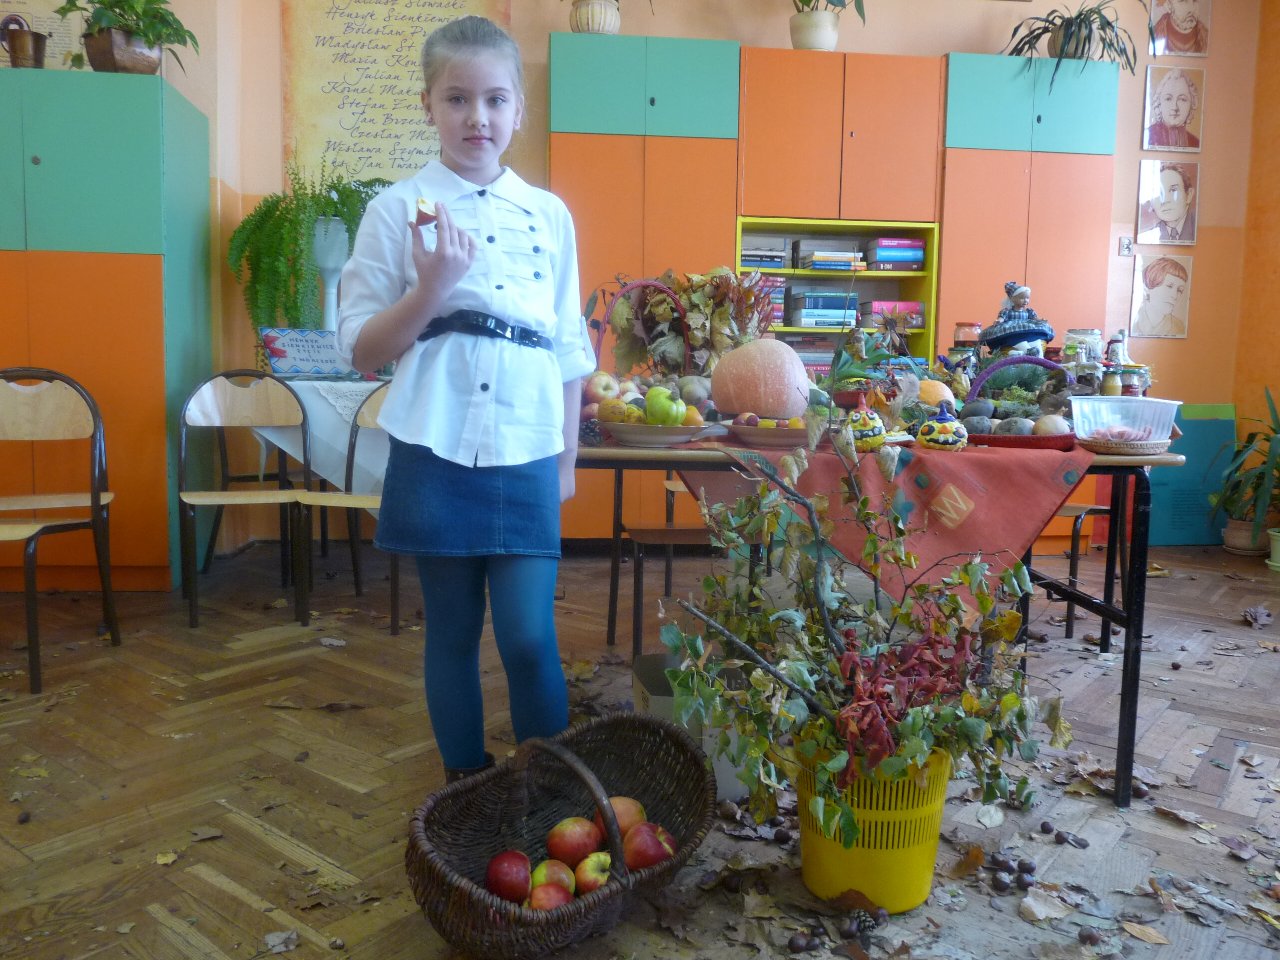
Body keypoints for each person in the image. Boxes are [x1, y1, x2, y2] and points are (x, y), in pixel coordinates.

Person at [336, 16, 596, 783]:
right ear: (428, 105)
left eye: (494, 99)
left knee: (528, 637)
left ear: (519, 109)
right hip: (434, 443)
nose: (476, 117)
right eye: (456, 98)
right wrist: (432, 289)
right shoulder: (397, 210)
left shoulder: (549, 215)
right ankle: (466, 787)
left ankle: (549, 792)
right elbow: (361, 351)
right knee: (450, 634)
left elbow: (568, 347)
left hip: (527, 445)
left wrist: (567, 462)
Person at [978, 281, 1055, 357]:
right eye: (1022, 298)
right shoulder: (1007, 311)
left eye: (1027, 298)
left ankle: (1033, 352)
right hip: (1013, 331)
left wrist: (1040, 320)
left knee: (1036, 339)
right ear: (1013, 299)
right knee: (1016, 339)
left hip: (1026, 330)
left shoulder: (1028, 311)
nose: (1025, 300)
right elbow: (1001, 318)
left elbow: (1035, 318)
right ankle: (1025, 351)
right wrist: (999, 321)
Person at [1137, 162, 1197, 244]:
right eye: (1158, 193)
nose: (1165, 200)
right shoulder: (1146, 233)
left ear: (1189, 195)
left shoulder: (1198, 226)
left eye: (1173, 190)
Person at [1131, 257, 1190, 338]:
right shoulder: (1133, 319)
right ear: (1149, 286)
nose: (1175, 295)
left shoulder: (1179, 327)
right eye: (1169, 286)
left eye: (1179, 290)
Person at [1145, 69, 1201, 150]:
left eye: (1182, 99)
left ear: (1192, 103)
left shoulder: (1195, 142)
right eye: (1168, 99)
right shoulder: (1148, 136)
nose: (1175, 107)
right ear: (1159, 103)